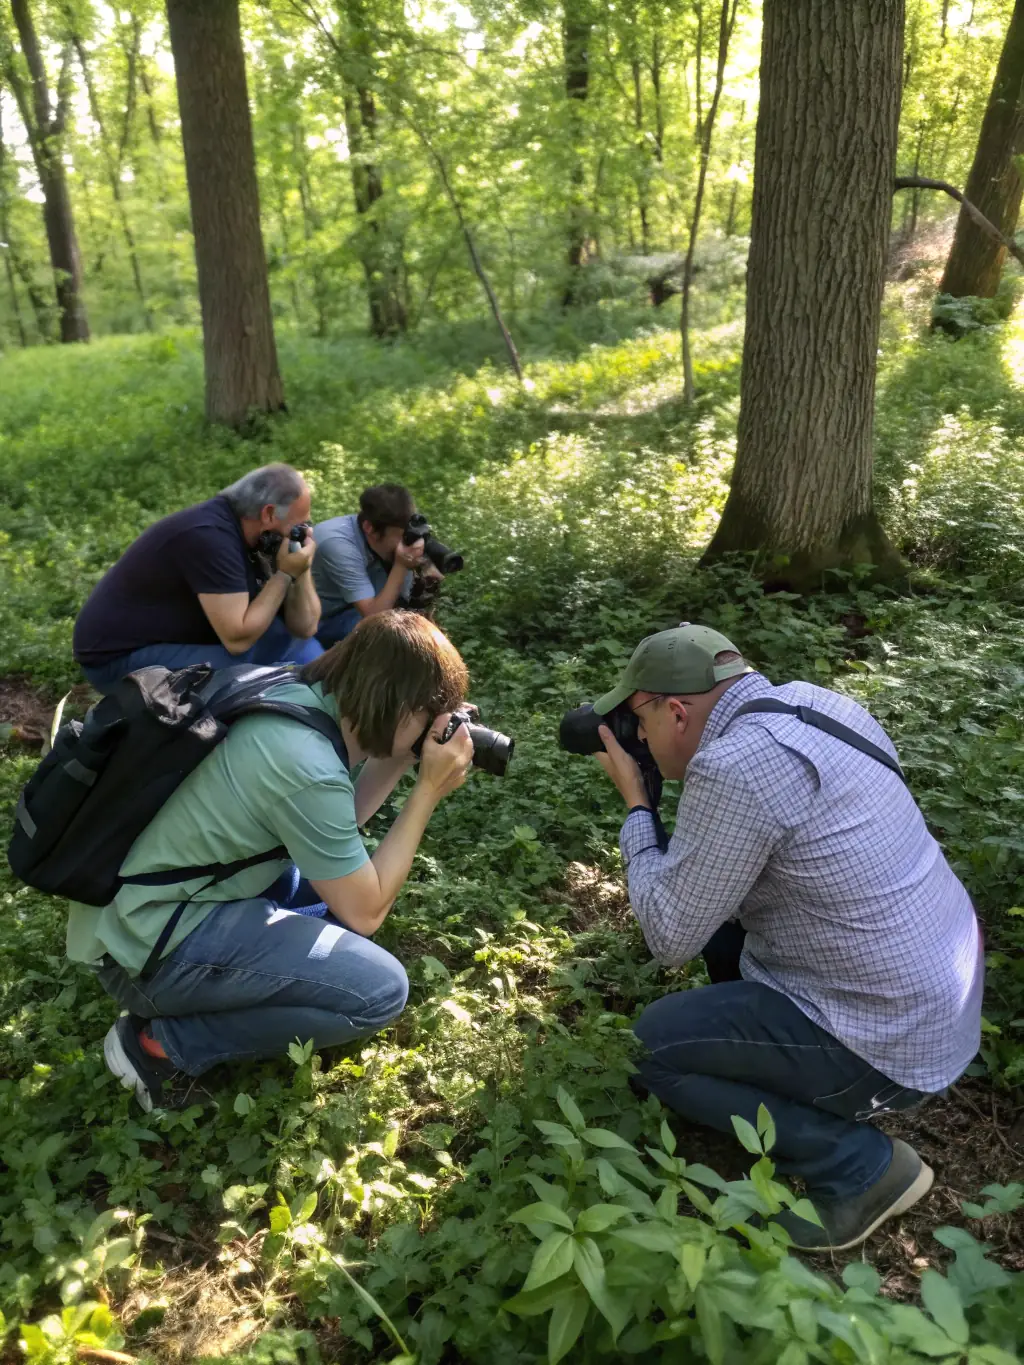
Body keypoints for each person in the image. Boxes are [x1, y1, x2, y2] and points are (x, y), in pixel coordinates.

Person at [592, 622, 983, 1252]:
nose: (636, 737)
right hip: (938, 1005)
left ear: (677, 710)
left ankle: (859, 1166)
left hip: (888, 1041)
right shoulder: (819, 704)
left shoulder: (733, 768)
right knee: (718, 922)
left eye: (639, 721)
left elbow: (667, 936)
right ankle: (789, 1079)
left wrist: (638, 809)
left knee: (651, 1048)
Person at [72, 611, 474, 1112]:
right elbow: (365, 912)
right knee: (380, 991)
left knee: (318, 885)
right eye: (431, 714)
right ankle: (159, 1047)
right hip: (146, 954)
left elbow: (334, 823)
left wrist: (401, 755)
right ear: (396, 704)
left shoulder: (294, 692)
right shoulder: (303, 762)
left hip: (142, 908)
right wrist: (428, 792)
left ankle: (257, 959)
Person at [73, 464, 323, 694]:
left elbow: (305, 628)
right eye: (298, 527)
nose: (302, 534)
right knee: (250, 671)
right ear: (268, 514)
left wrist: (300, 568)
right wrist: (284, 574)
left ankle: (325, 701)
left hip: (183, 640)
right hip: (117, 660)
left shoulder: (258, 536)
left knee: (286, 639)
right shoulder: (209, 537)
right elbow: (238, 640)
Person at [312, 483, 443, 647]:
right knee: (390, 638)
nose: (406, 543)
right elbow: (374, 619)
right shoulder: (337, 544)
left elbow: (404, 605)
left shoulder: (378, 540)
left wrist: (425, 572)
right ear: (370, 528)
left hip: (356, 607)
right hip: (320, 622)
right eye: (402, 537)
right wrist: (401, 565)